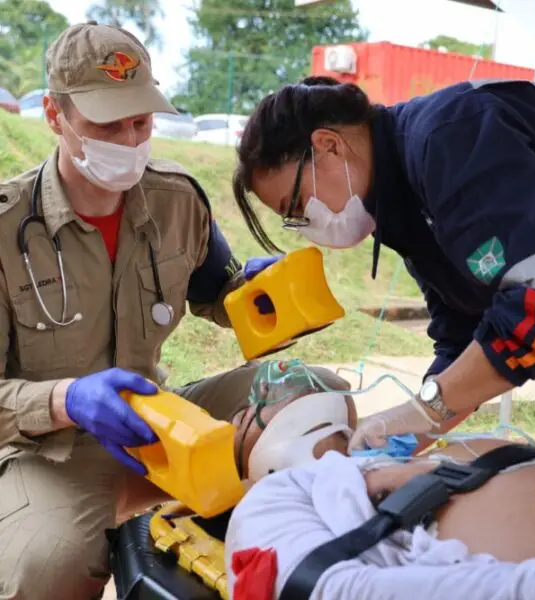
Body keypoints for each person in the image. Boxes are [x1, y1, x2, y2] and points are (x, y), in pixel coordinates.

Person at [0, 23, 348, 600]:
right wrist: (65, 399)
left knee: (312, 393)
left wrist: (255, 293)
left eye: (141, 120)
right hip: (51, 450)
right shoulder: (7, 228)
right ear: (55, 116)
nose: (130, 139)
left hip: (157, 421)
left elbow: (219, 293)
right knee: (45, 566)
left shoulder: (177, 200)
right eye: (107, 123)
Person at [230, 75, 535, 458]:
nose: (307, 224)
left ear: (329, 146)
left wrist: (423, 411)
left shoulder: (450, 139)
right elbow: (462, 339)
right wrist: (391, 440)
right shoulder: (401, 206)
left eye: (298, 205)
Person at [225, 382, 535, 600]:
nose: (281, 378)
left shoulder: (440, 453)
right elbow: (337, 592)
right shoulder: (269, 499)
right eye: (249, 410)